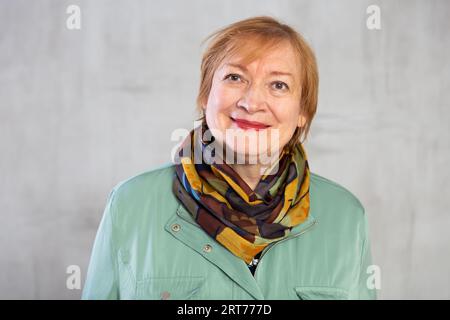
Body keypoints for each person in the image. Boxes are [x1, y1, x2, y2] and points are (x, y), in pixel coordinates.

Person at [82, 16, 377, 300]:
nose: (251, 103)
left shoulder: (346, 217)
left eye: (278, 85)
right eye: (235, 77)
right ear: (204, 95)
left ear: (302, 112)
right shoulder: (131, 204)